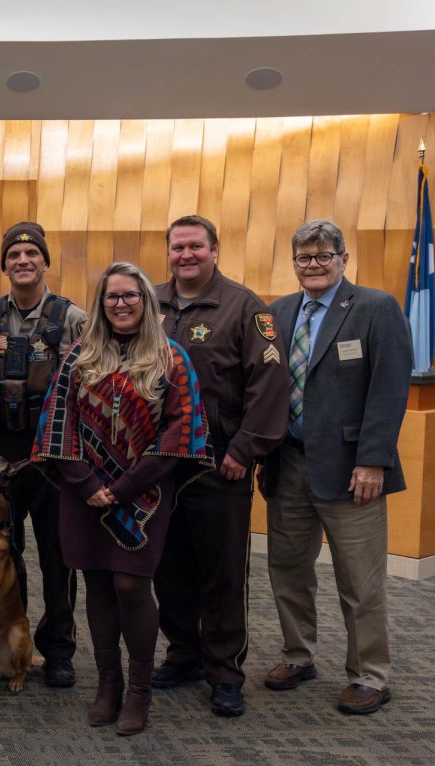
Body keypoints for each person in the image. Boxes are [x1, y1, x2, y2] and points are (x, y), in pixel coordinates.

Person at [33, 262, 213, 736]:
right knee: (95, 584)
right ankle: (107, 684)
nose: (121, 304)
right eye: (112, 297)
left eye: (130, 295)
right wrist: (88, 483)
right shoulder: (79, 355)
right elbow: (57, 423)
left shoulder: (171, 357)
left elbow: (183, 429)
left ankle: (139, 692)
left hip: (145, 492)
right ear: (101, 304)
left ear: (146, 300)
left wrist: (126, 485)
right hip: (85, 491)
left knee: (132, 586)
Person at [262, 219, 411, 716]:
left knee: (360, 581)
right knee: (287, 569)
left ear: (343, 259)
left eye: (324, 255)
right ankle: (297, 655)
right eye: (304, 257)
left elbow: (388, 389)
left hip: (353, 473)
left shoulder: (375, 308)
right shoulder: (278, 313)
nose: (314, 265)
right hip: (288, 466)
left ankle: (370, 675)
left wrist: (373, 460)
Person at [151, 215, 289, 717]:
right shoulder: (152, 303)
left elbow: (270, 386)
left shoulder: (245, 308)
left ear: (215, 250)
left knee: (223, 573)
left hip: (219, 464)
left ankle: (225, 671)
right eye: (178, 247)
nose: (186, 255)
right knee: (170, 569)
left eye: (196, 246)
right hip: (162, 465)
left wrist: (244, 450)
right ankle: (183, 653)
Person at [0, 221, 86, 688]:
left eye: (32, 254)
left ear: (45, 262)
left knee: (57, 553)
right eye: (14, 255)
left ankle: (58, 648)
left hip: (53, 452)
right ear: (4, 266)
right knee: (5, 551)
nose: (23, 261)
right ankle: (11, 641)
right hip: (2, 449)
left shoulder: (72, 317)